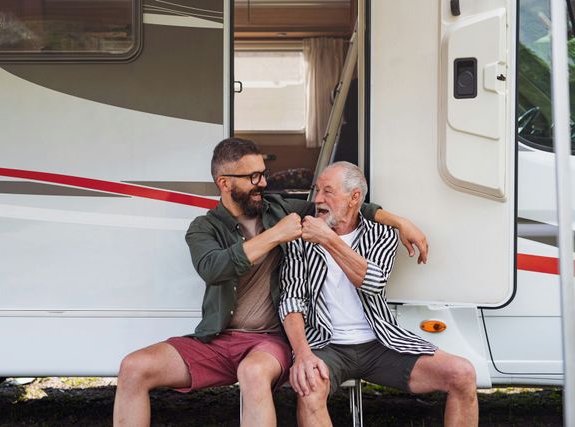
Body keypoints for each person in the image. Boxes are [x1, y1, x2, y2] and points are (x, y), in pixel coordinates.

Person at [113, 138, 428, 426]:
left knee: (252, 372)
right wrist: (275, 235)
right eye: (252, 177)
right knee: (133, 367)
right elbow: (213, 268)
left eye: (263, 173)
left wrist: (400, 222)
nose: (262, 182)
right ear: (224, 183)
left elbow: (348, 205)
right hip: (218, 338)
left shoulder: (279, 208)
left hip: (270, 339)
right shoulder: (203, 228)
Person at [279, 161, 478, 427]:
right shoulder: (300, 238)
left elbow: (373, 282)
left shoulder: (381, 234)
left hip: (380, 343)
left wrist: (328, 238)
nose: (318, 199)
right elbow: (291, 300)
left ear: (354, 198)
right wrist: (302, 354)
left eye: (328, 191)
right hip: (326, 345)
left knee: (462, 373)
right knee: (309, 389)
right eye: (317, 190)